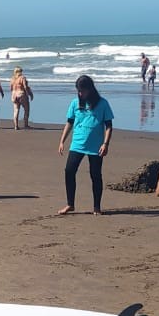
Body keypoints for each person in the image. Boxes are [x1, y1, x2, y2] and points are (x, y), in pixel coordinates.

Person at [57, 75, 113, 215]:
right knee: (69, 171)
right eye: (78, 91)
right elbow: (69, 122)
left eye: (82, 91)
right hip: (77, 144)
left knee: (95, 175)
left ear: (90, 89)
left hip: (96, 147)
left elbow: (109, 126)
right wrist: (62, 141)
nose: (80, 93)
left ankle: (96, 207)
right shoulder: (75, 103)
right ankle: (70, 204)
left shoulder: (103, 104)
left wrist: (105, 144)